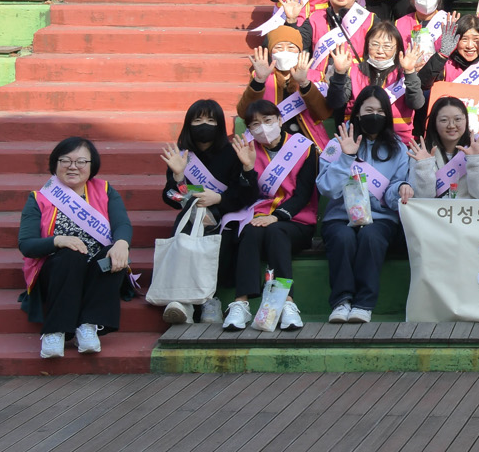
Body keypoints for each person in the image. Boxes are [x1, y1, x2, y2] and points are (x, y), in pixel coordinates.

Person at [18, 137, 133, 359]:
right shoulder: (39, 198)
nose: (73, 167)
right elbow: (27, 244)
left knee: (113, 255)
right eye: (66, 160)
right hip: (57, 272)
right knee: (71, 255)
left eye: (81, 161)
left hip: (97, 272)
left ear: (91, 166)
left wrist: (122, 243)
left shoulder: (105, 190)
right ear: (55, 164)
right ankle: (55, 330)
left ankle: (88, 325)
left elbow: (122, 224)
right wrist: (57, 241)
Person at [216, 100, 320, 332]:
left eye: (268, 120)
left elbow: (303, 194)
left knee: (275, 231)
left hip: (297, 219)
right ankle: (241, 303)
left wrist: (277, 216)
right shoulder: (247, 150)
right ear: (249, 129)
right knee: (249, 231)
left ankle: (287, 303)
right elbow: (246, 197)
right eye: (255, 124)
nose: (262, 127)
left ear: (280, 120)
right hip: (259, 215)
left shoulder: (304, 148)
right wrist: (247, 168)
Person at [317, 88, 414, 323]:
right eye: (369, 110)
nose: (375, 115)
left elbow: (393, 190)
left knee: (371, 237)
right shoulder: (337, 143)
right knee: (343, 238)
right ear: (358, 113)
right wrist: (346, 158)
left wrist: (401, 189)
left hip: (380, 218)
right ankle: (341, 302)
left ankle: (363, 304)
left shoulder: (398, 147)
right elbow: (326, 188)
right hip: (340, 216)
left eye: (380, 111)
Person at [157, 99, 254, 325]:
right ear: (188, 124)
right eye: (198, 120)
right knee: (186, 232)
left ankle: (211, 299)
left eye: (211, 120)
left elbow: (246, 195)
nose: (204, 125)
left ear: (219, 124)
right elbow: (171, 198)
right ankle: (184, 302)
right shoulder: (182, 156)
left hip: (226, 215)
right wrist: (178, 177)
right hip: (192, 215)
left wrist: (219, 198)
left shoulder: (232, 154)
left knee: (220, 237)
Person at [239, 24, 345, 151]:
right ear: (271, 52)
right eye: (279, 47)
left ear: (299, 52)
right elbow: (244, 112)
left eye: (291, 47)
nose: (285, 51)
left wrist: (304, 83)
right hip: (271, 144)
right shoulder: (261, 76)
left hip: (307, 142)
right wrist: (259, 81)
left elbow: (323, 114)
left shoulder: (315, 77)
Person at [409, 97, 479, 199]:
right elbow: (422, 197)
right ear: (434, 122)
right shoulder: (421, 152)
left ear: (466, 120)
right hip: (434, 209)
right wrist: (424, 167)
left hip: (469, 209)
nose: (451, 125)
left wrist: (476, 160)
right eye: (444, 120)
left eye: (458, 119)